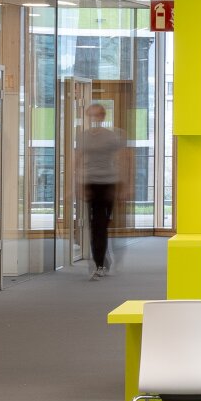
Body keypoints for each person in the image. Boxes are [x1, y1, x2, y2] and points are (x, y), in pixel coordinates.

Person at [73, 105, 129, 278]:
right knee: (96, 224)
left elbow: (124, 158)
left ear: (103, 117)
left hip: (109, 183)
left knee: (102, 223)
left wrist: (125, 186)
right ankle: (100, 263)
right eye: (91, 116)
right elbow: (76, 160)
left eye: (97, 116)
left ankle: (102, 259)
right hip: (91, 182)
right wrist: (76, 186)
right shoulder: (83, 137)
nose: (94, 119)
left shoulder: (111, 137)